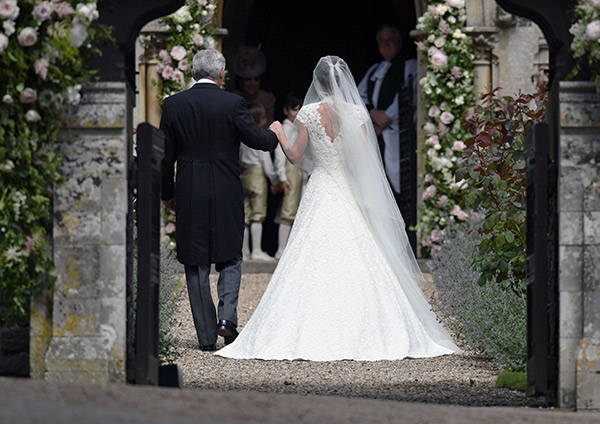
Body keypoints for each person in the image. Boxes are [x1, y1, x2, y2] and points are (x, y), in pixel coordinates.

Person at [216, 56, 461, 361]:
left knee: (309, 252)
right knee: (360, 250)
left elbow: (294, 156)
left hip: (320, 186)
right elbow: (362, 161)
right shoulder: (357, 112)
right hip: (346, 187)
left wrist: (279, 132)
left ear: (317, 84)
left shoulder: (307, 113)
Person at [160, 48, 279, 352]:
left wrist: (168, 194)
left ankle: (205, 335)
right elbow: (258, 140)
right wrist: (276, 132)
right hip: (226, 186)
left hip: (189, 188)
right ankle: (226, 318)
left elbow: (164, 158)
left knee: (195, 259)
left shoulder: (173, 105)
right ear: (222, 73)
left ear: (192, 73)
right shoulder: (233, 103)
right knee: (231, 255)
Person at [357, 25, 417, 200]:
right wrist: (373, 114)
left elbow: (408, 95)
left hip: (398, 135)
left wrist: (387, 118)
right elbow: (358, 96)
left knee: (399, 186)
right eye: (382, 41)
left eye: (390, 40)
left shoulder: (410, 65)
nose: (386, 44)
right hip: (375, 134)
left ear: (399, 42)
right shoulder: (375, 70)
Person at [240, 103, 281, 261]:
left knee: (245, 214)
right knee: (257, 214)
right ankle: (256, 250)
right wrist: (275, 180)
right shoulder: (259, 135)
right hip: (257, 175)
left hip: (244, 175)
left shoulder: (242, 137)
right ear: (260, 119)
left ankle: (244, 251)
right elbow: (266, 162)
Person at [272, 93, 304, 259]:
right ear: (286, 111)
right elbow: (279, 154)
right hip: (289, 170)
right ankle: (281, 249)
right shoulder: (285, 127)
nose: (297, 113)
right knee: (288, 211)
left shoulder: (299, 127)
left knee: (297, 210)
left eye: (299, 109)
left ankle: (289, 249)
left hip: (298, 170)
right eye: (293, 109)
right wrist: (282, 177)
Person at [233, 46, 276, 125]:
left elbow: (269, 126)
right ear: (241, 81)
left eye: (256, 79)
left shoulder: (267, 98)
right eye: (248, 79)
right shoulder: (233, 98)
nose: (252, 83)